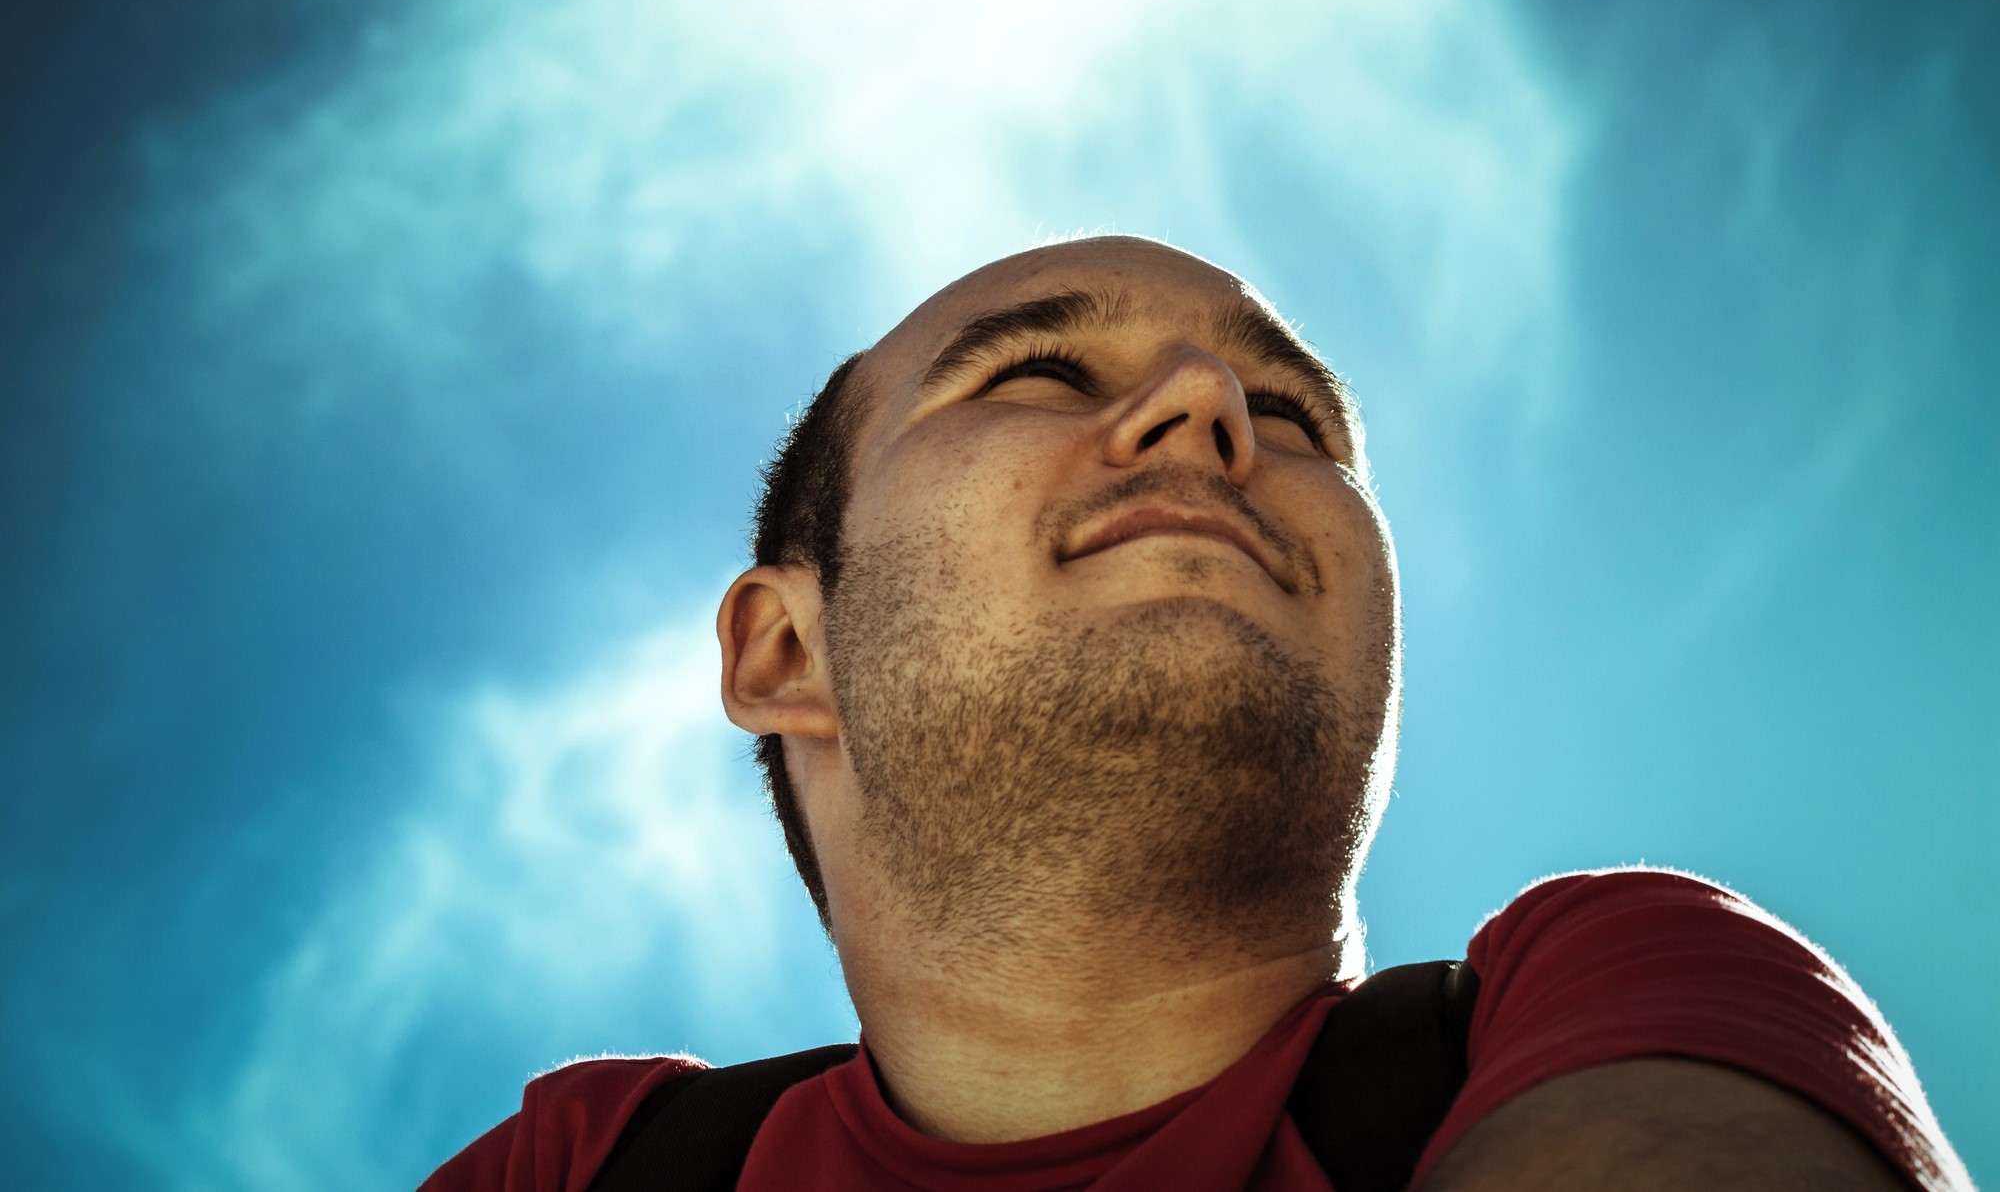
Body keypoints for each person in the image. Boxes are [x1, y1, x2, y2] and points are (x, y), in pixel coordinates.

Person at [422, 236, 1971, 1190]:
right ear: (781, 650)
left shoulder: (1629, 986)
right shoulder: (593, 1164)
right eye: (1032, 372)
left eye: (1291, 417)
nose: (1209, 412)